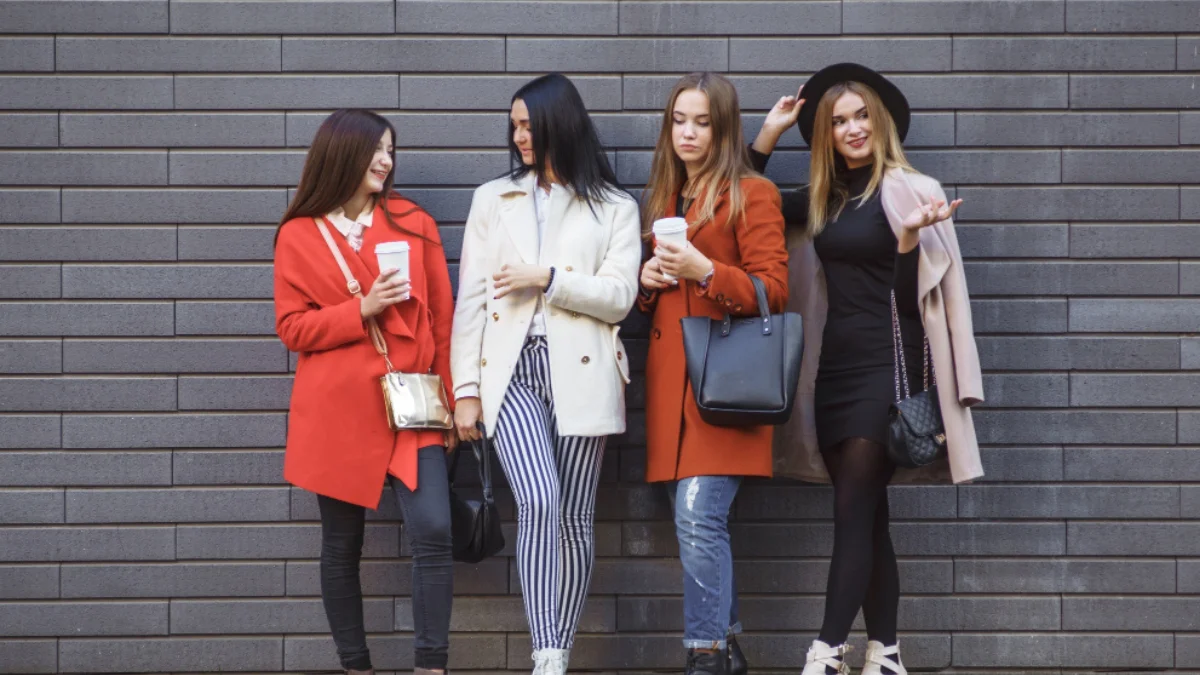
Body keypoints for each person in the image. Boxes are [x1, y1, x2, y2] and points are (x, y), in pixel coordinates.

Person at [751, 63, 985, 675]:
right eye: (838, 121)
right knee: (869, 516)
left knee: (852, 509)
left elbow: (915, 304)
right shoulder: (825, 198)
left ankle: (825, 652)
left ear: (879, 123)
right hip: (835, 372)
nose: (852, 129)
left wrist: (908, 240)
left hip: (889, 367)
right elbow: (743, 203)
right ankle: (888, 653)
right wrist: (768, 137)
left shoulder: (911, 189)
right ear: (825, 134)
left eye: (861, 116)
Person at [450, 73, 641, 675]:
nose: (519, 136)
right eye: (514, 126)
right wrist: (466, 390)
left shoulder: (615, 206)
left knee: (574, 519)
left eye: (528, 124)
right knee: (538, 499)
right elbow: (472, 301)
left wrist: (548, 278)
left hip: (582, 372)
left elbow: (619, 297)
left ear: (561, 123)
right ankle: (548, 654)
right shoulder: (493, 198)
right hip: (512, 371)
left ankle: (557, 649)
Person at [274, 109, 457, 675]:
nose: (385, 160)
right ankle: (355, 666)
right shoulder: (298, 234)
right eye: (375, 149)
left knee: (434, 530)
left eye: (390, 150)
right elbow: (292, 328)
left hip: (411, 399)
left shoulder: (412, 222)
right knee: (341, 544)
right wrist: (363, 309)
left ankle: (432, 665)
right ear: (341, 155)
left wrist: (450, 400)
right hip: (337, 409)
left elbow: (444, 319)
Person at [637, 72, 789, 675]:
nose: (689, 133)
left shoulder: (753, 193)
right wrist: (647, 287)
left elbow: (774, 290)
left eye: (702, 121)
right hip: (673, 389)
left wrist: (705, 269)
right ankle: (724, 650)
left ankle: (705, 653)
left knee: (699, 516)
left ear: (723, 127)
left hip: (726, 387)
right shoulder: (665, 199)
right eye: (679, 120)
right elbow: (659, 298)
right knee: (696, 521)